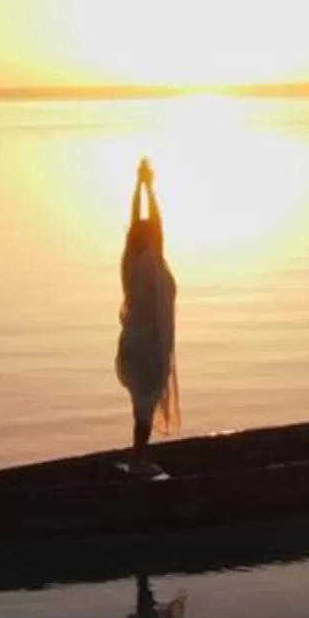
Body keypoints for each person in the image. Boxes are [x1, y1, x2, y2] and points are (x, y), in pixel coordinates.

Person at [115, 158, 180, 449]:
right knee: (145, 408)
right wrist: (148, 188)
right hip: (151, 346)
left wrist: (140, 186)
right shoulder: (151, 263)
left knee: (139, 408)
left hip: (132, 344)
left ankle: (138, 457)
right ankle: (139, 459)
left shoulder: (129, 261)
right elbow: (157, 223)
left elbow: (140, 221)